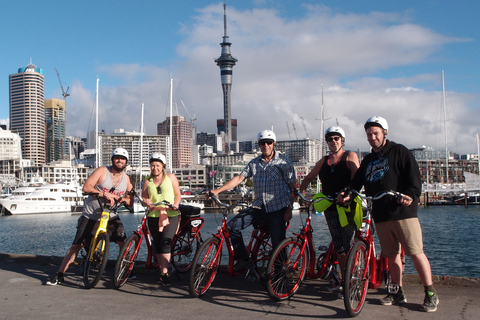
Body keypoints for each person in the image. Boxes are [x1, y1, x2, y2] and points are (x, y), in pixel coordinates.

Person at [338, 116, 438, 312]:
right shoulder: (368, 159)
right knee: (391, 255)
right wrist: (348, 192)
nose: (372, 137)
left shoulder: (400, 151)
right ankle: (396, 291)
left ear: (384, 132)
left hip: (403, 212)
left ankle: (430, 292)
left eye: (376, 133)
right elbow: (356, 182)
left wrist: (410, 195)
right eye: (369, 134)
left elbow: (414, 180)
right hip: (381, 214)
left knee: (415, 252)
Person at [210, 130, 296, 272]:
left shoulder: (284, 162)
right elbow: (239, 178)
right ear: (259, 145)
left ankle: (280, 275)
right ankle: (244, 259)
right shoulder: (254, 163)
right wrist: (218, 191)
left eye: (269, 142)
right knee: (232, 226)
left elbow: (293, 187)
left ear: (274, 144)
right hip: (259, 206)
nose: (266, 145)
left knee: (278, 243)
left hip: (277, 207)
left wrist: (289, 208)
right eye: (262, 143)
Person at [46, 148, 134, 285]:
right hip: (91, 214)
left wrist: (118, 198)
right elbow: (86, 187)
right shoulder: (102, 171)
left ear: (126, 162)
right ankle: (60, 274)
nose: (119, 161)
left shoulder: (127, 179)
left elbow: (130, 201)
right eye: (117, 158)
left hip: (111, 215)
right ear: (112, 159)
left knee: (124, 243)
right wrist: (104, 194)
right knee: (77, 245)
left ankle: (125, 270)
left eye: (122, 159)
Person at [299, 126, 360, 292]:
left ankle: (351, 280)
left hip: (347, 206)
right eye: (330, 139)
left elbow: (357, 179)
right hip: (330, 207)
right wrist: (299, 193)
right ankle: (344, 278)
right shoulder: (324, 160)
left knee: (347, 243)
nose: (333, 141)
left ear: (342, 140)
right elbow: (309, 177)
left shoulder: (350, 156)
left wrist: (348, 193)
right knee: (339, 244)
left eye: (336, 138)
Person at [141, 153, 181, 286]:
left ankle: (164, 273)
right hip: (153, 215)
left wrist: (175, 205)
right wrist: (145, 201)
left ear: (163, 166)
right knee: (157, 244)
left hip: (170, 214)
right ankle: (163, 270)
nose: (155, 168)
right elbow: (144, 199)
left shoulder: (171, 177)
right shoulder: (148, 181)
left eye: (157, 165)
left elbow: (178, 194)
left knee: (165, 242)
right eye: (152, 165)